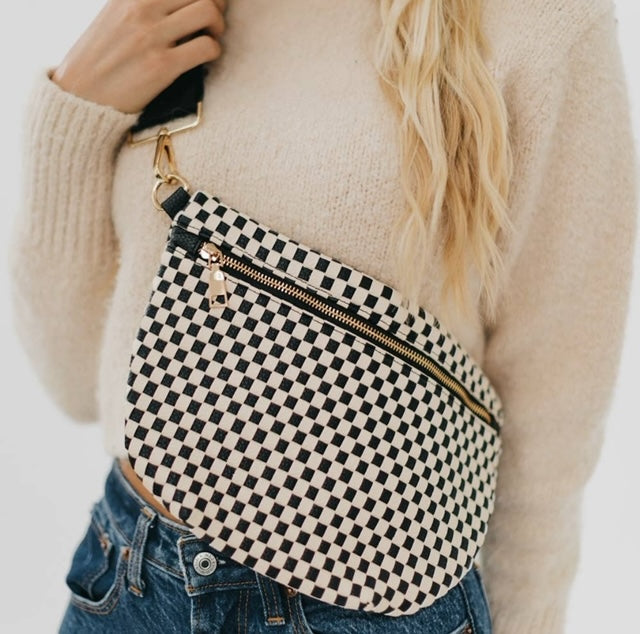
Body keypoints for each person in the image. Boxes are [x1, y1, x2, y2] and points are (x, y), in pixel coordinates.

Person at [8, 0, 637, 632]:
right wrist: (75, 111)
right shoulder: (177, 14)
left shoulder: (546, 21)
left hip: (374, 604)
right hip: (130, 581)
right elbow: (77, 384)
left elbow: (554, 415)